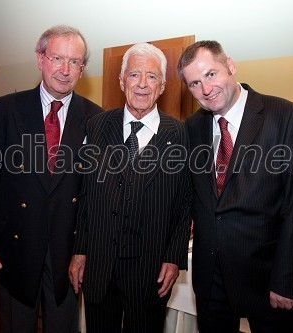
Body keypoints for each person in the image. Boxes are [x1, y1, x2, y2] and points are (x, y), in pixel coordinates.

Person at [0, 24, 103, 333]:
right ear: (40, 58)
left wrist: (83, 249)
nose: (65, 70)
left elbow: (92, 196)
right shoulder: (6, 110)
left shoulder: (96, 119)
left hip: (67, 256)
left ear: (82, 69)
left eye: (74, 62)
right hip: (13, 249)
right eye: (57, 58)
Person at [177, 40, 293, 333]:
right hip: (210, 280)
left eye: (211, 74)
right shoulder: (192, 126)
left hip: (269, 279)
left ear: (230, 65)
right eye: (194, 83)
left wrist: (288, 280)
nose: (205, 89)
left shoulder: (286, 116)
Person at [68, 42, 192, 333]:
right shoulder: (96, 126)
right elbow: (86, 196)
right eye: (134, 75)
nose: (142, 84)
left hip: (149, 271)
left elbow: (184, 204)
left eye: (151, 77)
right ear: (121, 81)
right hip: (99, 267)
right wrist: (80, 250)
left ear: (162, 86)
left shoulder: (181, 135)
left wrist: (173, 258)